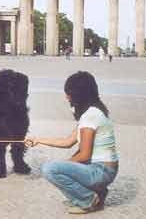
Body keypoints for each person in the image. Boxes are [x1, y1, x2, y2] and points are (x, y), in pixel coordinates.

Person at [26, 71, 118, 214]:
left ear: (79, 94)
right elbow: (67, 141)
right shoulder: (92, 112)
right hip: (103, 169)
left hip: (101, 171)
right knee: (60, 166)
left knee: (50, 169)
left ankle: (88, 200)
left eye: (69, 93)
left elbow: (85, 155)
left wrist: (65, 165)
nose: (67, 97)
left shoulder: (90, 116)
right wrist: (38, 140)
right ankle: (95, 193)